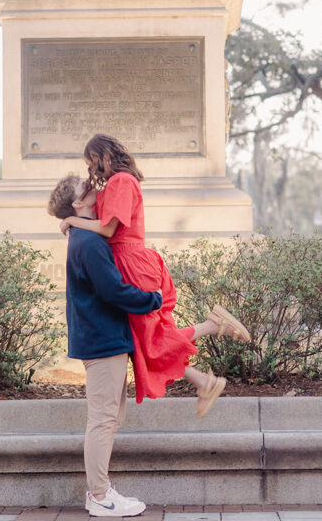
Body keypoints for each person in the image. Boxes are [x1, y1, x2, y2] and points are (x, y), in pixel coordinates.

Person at [58, 133, 251, 415]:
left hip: (131, 261)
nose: (91, 171)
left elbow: (110, 229)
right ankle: (205, 376)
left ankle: (211, 335)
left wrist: (72, 220)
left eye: (91, 162)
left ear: (101, 156)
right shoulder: (115, 183)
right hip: (127, 261)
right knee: (145, 340)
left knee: (151, 340)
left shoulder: (121, 181)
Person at [47, 173, 163, 517]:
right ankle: (99, 496)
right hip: (101, 340)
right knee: (102, 419)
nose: (95, 188)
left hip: (102, 338)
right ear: (78, 204)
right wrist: (152, 299)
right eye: (87, 188)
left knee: (110, 417)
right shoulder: (88, 241)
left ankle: (101, 492)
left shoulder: (85, 235)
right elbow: (111, 290)